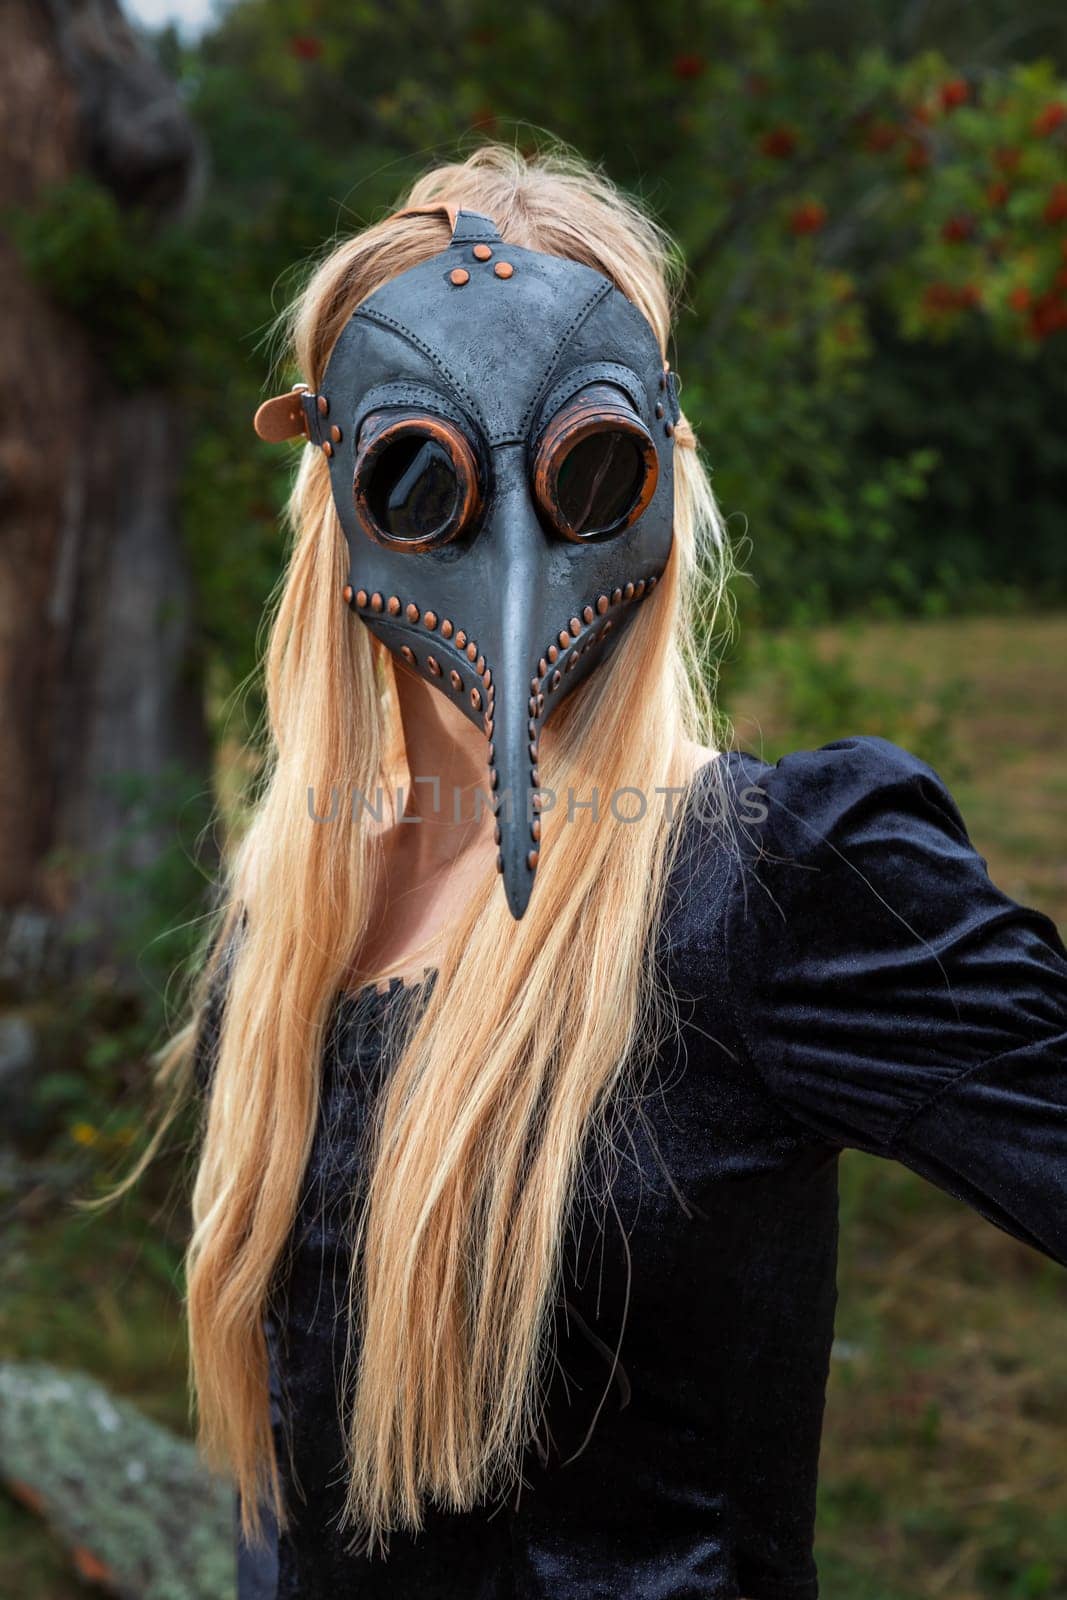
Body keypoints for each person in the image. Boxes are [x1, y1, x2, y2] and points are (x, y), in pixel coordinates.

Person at [180, 143, 1067, 1600]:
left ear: (661, 467)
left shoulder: (773, 887)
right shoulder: (284, 939)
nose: (518, 547)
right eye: (426, 472)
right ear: (340, 489)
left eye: (588, 468)